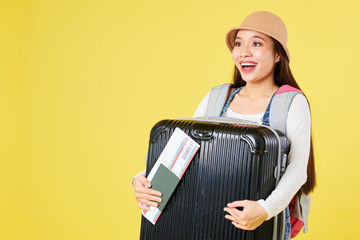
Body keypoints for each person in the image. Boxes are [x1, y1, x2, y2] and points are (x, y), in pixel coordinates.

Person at [132, 11, 316, 238]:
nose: (244, 52)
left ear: (277, 54)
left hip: (258, 222)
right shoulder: (216, 97)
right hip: (205, 215)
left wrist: (264, 209)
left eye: (256, 44)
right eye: (239, 44)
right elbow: (184, 151)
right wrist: (142, 179)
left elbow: (298, 171)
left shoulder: (291, 102)